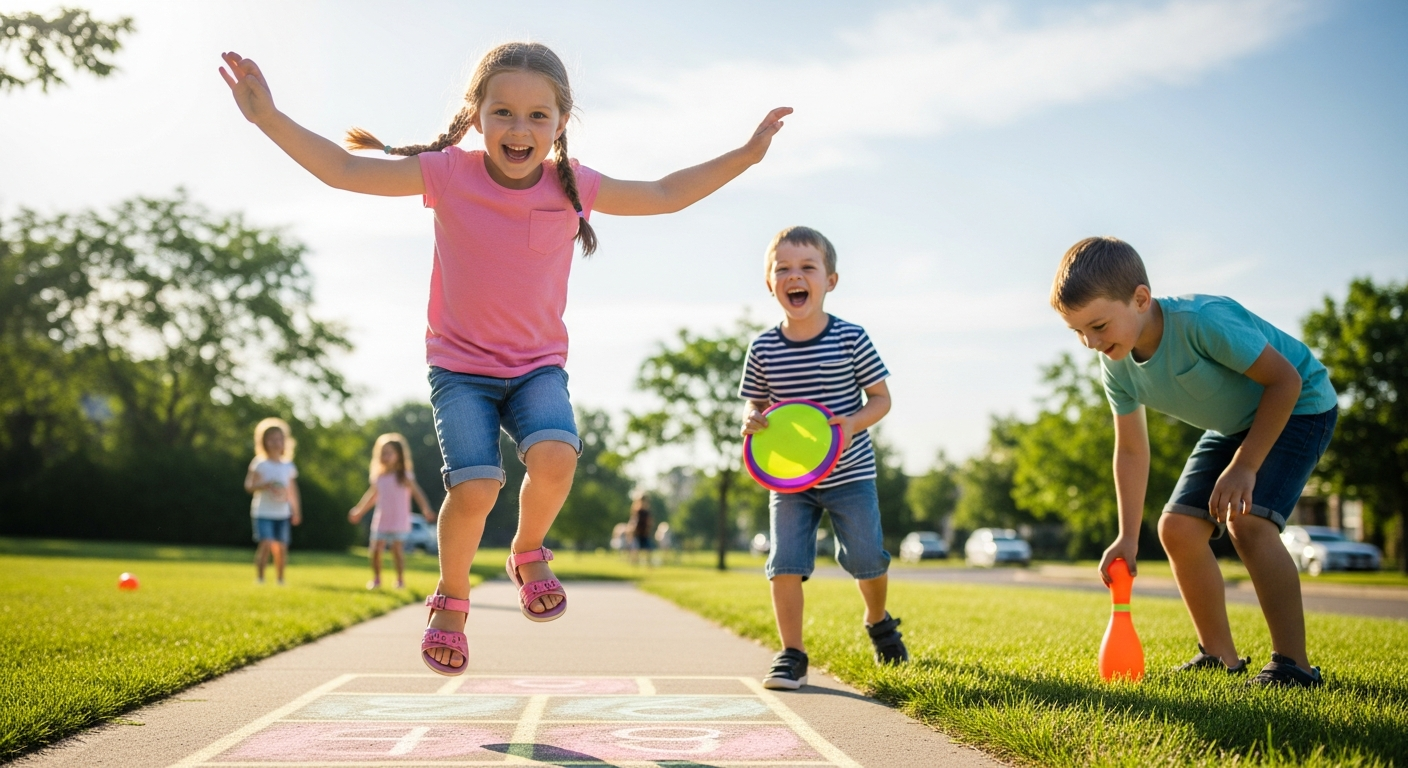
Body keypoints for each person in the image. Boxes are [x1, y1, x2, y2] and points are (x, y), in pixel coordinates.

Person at [219, 43, 790, 676]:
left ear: (560, 124)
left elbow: (663, 192)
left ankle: (526, 550)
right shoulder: (446, 174)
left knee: (557, 454)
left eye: (538, 117)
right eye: (504, 113)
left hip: (536, 368)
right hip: (460, 370)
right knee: (478, 485)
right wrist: (267, 116)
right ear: (476, 115)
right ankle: (453, 599)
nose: (520, 130)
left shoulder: (573, 188)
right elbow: (344, 172)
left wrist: (745, 154)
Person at [1052, 237, 1338, 688]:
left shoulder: (1202, 321)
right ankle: (1219, 655)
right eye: (1079, 332)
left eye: (1099, 325)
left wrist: (1245, 466)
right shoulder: (1116, 364)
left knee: (1249, 523)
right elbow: (1131, 450)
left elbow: (1285, 381)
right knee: (1177, 529)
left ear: (1141, 299)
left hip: (1300, 404)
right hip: (1233, 425)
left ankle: (1294, 666)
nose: (1090, 342)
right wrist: (1127, 537)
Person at [739, 226, 908, 691]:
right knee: (785, 562)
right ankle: (792, 654)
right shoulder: (764, 348)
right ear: (770, 283)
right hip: (789, 480)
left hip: (850, 473)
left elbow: (880, 398)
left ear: (830, 280)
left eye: (807, 267)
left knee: (867, 559)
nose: (796, 276)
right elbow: (754, 404)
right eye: (784, 269)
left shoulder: (851, 338)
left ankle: (878, 621)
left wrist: (852, 423)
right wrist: (751, 420)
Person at [349, 433, 436, 590]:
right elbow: (372, 496)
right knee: (375, 551)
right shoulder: (379, 477)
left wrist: (426, 509)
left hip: (399, 520)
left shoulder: (404, 476)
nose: (385, 456)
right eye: (382, 453)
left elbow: (418, 493)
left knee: (397, 551)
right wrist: (359, 511)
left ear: (399, 455)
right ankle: (376, 579)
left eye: (389, 453)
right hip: (382, 519)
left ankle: (400, 580)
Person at [243, 418, 300, 586]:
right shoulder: (260, 463)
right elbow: (249, 486)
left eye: (279, 439)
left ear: (285, 442)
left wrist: (296, 511)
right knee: (266, 544)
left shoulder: (288, 465)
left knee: (281, 548)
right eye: (272, 439)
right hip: (263, 512)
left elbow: (292, 491)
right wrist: (264, 485)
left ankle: (280, 579)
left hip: (282, 512)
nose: (276, 443)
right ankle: (260, 578)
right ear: (264, 441)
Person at [626, 495, 654, 566]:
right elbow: (633, 523)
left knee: (648, 549)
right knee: (635, 550)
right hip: (637, 534)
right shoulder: (637, 512)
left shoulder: (647, 512)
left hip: (644, 534)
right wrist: (630, 533)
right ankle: (634, 565)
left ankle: (648, 565)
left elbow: (649, 523)